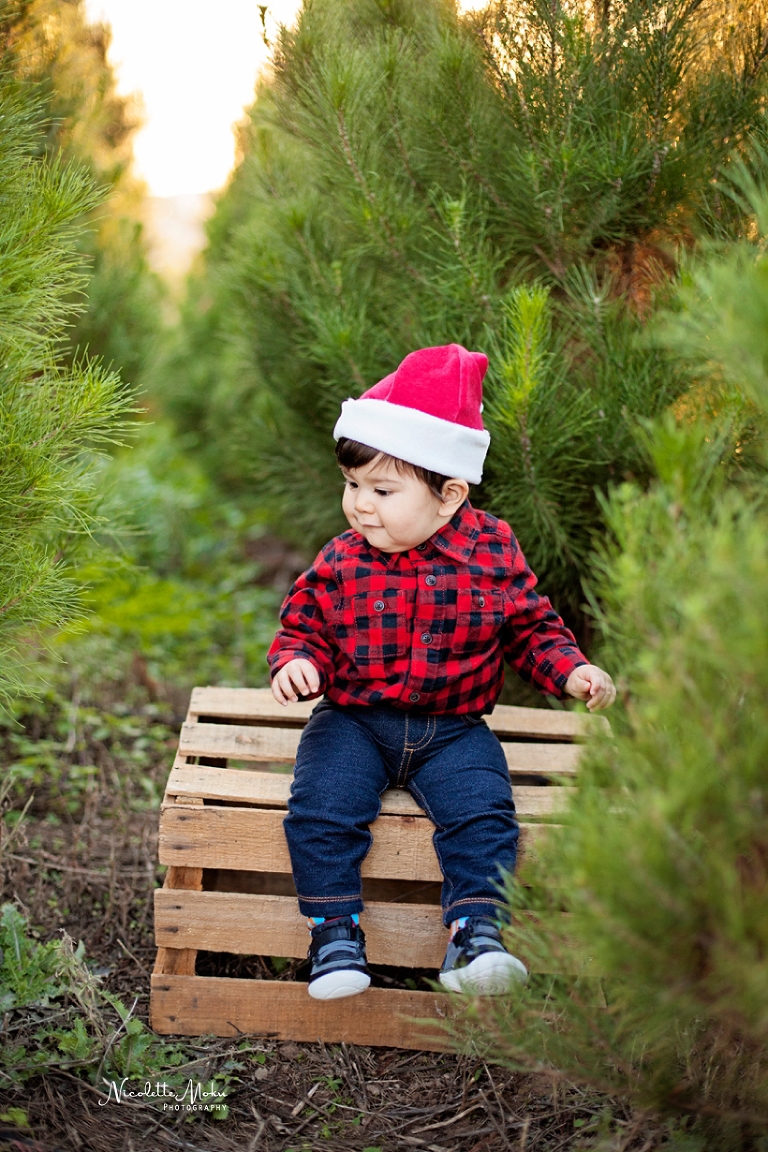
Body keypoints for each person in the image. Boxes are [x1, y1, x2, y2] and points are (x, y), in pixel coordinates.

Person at [267, 344, 615, 1001]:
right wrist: (298, 661)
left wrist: (571, 670)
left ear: (449, 495)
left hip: (454, 729)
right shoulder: (343, 558)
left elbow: (530, 626)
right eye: (352, 485)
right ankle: (334, 933)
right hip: (355, 721)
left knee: (484, 814)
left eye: (382, 490)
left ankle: (476, 936)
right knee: (321, 807)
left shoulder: (492, 551)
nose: (360, 505)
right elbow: (303, 623)